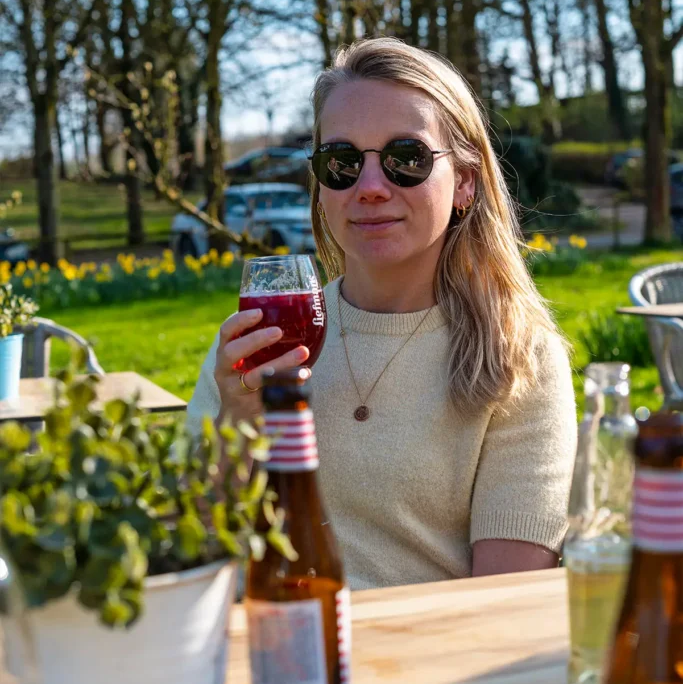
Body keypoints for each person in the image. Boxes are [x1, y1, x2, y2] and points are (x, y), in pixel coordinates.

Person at [187, 37, 577, 590]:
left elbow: (503, 603)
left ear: (464, 180)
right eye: (342, 161)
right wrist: (237, 423)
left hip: (429, 665)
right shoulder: (261, 344)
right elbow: (190, 553)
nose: (370, 187)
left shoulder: (516, 357)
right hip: (272, 658)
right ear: (320, 182)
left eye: (406, 159)